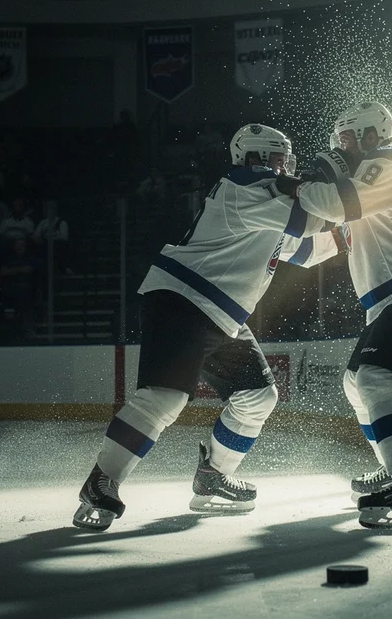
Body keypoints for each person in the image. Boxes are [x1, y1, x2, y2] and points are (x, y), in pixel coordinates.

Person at [72, 124, 344, 531]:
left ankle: (213, 477)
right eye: (278, 158)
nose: (285, 166)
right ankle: (101, 481)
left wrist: (354, 225)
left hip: (220, 314)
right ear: (255, 158)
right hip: (186, 300)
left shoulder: (267, 198)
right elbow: (310, 222)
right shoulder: (247, 185)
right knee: (164, 398)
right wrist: (353, 198)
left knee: (257, 397)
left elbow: (309, 249)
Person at [277, 102, 392, 529]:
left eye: (347, 139)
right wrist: (269, 241)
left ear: (371, 135)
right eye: (339, 140)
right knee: (356, 382)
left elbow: (334, 205)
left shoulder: (391, 160)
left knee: (376, 376)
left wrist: (302, 183)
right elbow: (316, 246)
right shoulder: (365, 185)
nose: (340, 148)